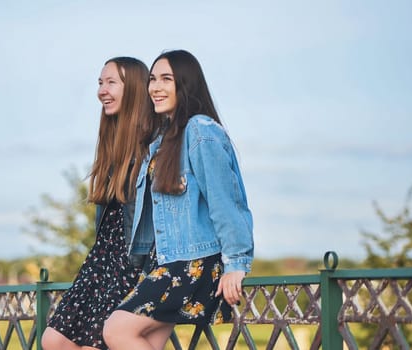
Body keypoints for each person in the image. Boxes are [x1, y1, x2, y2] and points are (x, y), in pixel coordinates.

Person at [103, 49, 254, 350]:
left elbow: (225, 201)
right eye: (152, 80)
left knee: (116, 330)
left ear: (185, 84)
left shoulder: (200, 130)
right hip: (166, 263)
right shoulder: (163, 139)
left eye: (166, 79)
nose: (155, 88)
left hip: (194, 263)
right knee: (139, 339)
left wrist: (236, 263)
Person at [41, 57, 159, 350]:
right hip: (101, 261)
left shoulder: (154, 144)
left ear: (133, 89)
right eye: (100, 82)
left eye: (111, 82)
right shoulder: (113, 144)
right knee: (53, 340)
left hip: (131, 262)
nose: (102, 91)